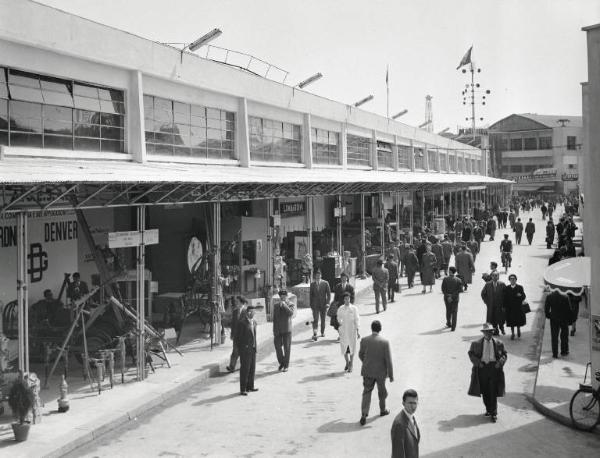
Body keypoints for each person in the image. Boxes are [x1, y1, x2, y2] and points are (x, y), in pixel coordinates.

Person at [468, 323, 507, 422]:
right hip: (482, 368)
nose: (488, 334)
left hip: (494, 368)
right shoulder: (476, 344)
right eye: (486, 332)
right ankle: (488, 409)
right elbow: (471, 354)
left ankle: (494, 413)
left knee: (493, 390)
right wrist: (478, 363)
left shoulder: (499, 343)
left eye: (490, 332)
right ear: (483, 333)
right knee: (485, 391)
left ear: (493, 332)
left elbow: (504, 355)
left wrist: (500, 363)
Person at [358, 320, 394, 426]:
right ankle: (383, 410)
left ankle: (364, 414)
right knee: (382, 392)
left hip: (367, 371)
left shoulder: (364, 340)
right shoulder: (384, 342)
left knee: (367, 392)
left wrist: (366, 362)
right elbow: (389, 360)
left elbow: (361, 354)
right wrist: (391, 375)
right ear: (380, 329)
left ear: (371, 328)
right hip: (381, 372)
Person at [235, 304, 258, 395]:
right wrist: (242, 349)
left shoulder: (254, 322)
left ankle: (250, 386)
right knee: (245, 369)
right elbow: (237, 338)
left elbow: (254, 336)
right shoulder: (242, 323)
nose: (253, 313)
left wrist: (255, 346)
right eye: (252, 312)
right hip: (245, 350)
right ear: (248, 312)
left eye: (254, 312)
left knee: (252, 368)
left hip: (253, 349)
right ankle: (243, 389)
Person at [391, 389, 420, 458]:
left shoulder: (411, 417)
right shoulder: (399, 424)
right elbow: (398, 454)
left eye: (415, 403)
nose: (413, 406)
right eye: (410, 403)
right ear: (403, 403)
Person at [336, 292, 360, 372]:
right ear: (343, 300)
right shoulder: (340, 308)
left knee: (352, 348)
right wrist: (340, 323)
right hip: (343, 331)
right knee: (344, 348)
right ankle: (347, 362)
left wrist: (358, 330)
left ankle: (351, 364)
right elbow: (338, 318)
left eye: (348, 298)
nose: (347, 300)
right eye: (345, 299)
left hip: (352, 331)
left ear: (350, 299)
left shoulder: (354, 308)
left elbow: (357, 320)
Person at [544, 289, 572, 358]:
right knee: (564, 335)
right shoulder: (565, 296)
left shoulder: (549, 296)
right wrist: (569, 320)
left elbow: (546, 309)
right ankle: (564, 351)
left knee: (554, 337)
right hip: (564, 319)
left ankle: (555, 354)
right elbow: (569, 310)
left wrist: (549, 316)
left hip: (554, 319)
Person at [272, 290, 295, 372]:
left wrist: (285, 305)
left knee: (287, 348)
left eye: (284, 296)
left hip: (287, 329)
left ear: (286, 296)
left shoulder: (291, 304)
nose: (282, 297)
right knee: (277, 347)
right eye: (281, 296)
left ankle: (286, 365)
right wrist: (274, 330)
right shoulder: (276, 305)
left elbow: (291, 313)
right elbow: (274, 319)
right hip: (278, 329)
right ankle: (282, 362)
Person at [226, 296, 247, 372]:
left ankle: (244, 365)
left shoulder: (247, 311)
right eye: (236, 301)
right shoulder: (235, 311)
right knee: (235, 351)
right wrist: (232, 334)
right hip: (236, 335)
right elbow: (233, 324)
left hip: (244, 336)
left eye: (238, 301)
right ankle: (231, 366)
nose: (236, 303)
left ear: (241, 302)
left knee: (243, 352)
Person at [503, 274, 526, 340]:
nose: (512, 280)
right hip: (510, 308)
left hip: (518, 307)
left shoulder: (520, 287)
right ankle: (512, 333)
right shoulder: (507, 288)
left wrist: (520, 295)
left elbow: (524, 296)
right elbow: (505, 298)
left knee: (518, 320)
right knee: (511, 321)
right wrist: (504, 306)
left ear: (516, 280)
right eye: (511, 279)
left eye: (514, 279)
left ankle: (518, 329)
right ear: (509, 280)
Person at [309, 270, 331, 341]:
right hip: (315, 305)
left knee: (323, 319)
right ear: (315, 276)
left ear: (321, 275)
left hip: (323, 304)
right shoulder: (312, 284)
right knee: (315, 320)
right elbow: (311, 295)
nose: (318, 276)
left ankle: (322, 332)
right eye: (316, 275)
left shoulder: (325, 283)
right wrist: (311, 305)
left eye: (319, 275)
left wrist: (328, 303)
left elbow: (329, 294)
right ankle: (315, 333)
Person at [441, 266, 463, 331]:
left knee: (448, 310)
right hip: (455, 298)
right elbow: (460, 290)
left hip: (447, 298)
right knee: (454, 312)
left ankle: (448, 323)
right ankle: (453, 327)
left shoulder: (445, 279)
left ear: (450, 271)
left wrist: (448, 296)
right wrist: (452, 296)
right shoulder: (458, 280)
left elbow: (443, 289)